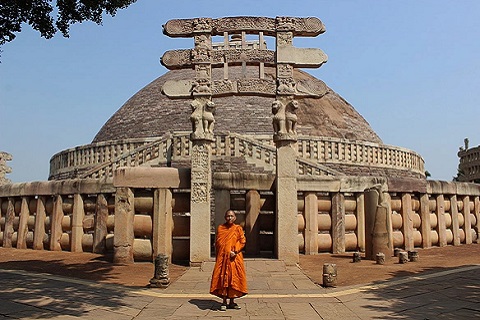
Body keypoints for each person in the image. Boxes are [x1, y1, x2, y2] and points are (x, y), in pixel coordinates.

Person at [210, 209, 247, 311]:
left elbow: (242, 241)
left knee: (233, 279)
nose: (230, 218)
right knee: (223, 279)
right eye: (228, 216)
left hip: (234, 258)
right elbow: (218, 243)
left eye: (231, 216)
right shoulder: (221, 228)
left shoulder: (238, 228)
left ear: (235, 218)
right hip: (223, 258)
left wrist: (235, 251)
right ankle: (224, 301)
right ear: (225, 217)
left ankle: (232, 301)